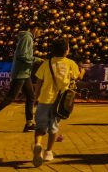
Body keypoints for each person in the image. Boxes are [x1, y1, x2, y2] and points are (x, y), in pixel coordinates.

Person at [0, 26, 43, 134]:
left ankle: (29, 123)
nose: (40, 34)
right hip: (20, 73)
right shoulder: (27, 37)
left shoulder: (27, 37)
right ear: (35, 28)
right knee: (10, 98)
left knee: (31, 97)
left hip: (25, 73)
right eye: (41, 31)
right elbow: (23, 55)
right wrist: (37, 59)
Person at [31, 38, 81, 167]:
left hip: (44, 99)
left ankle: (37, 144)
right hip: (59, 102)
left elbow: (39, 83)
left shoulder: (46, 64)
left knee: (40, 126)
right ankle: (48, 152)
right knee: (53, 127)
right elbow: (77, 76)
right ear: (66, 51)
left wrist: (36, 98)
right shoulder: (71, 63)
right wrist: (83, 72)